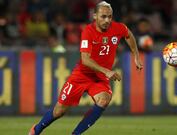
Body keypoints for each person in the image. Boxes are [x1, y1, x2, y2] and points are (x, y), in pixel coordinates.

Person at [28, 1, 143, 135]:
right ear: (95, 16)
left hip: (99, 78)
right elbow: (85, 60)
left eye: (110, 17)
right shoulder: (88, 31)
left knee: (104, 99)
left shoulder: (118, 28)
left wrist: (136, 55)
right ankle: (36, 130)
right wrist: (107, 71)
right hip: (82, 75)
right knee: (59, 111)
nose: (107, 20)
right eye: (103, 16)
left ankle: (76, 134)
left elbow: (128, 35)